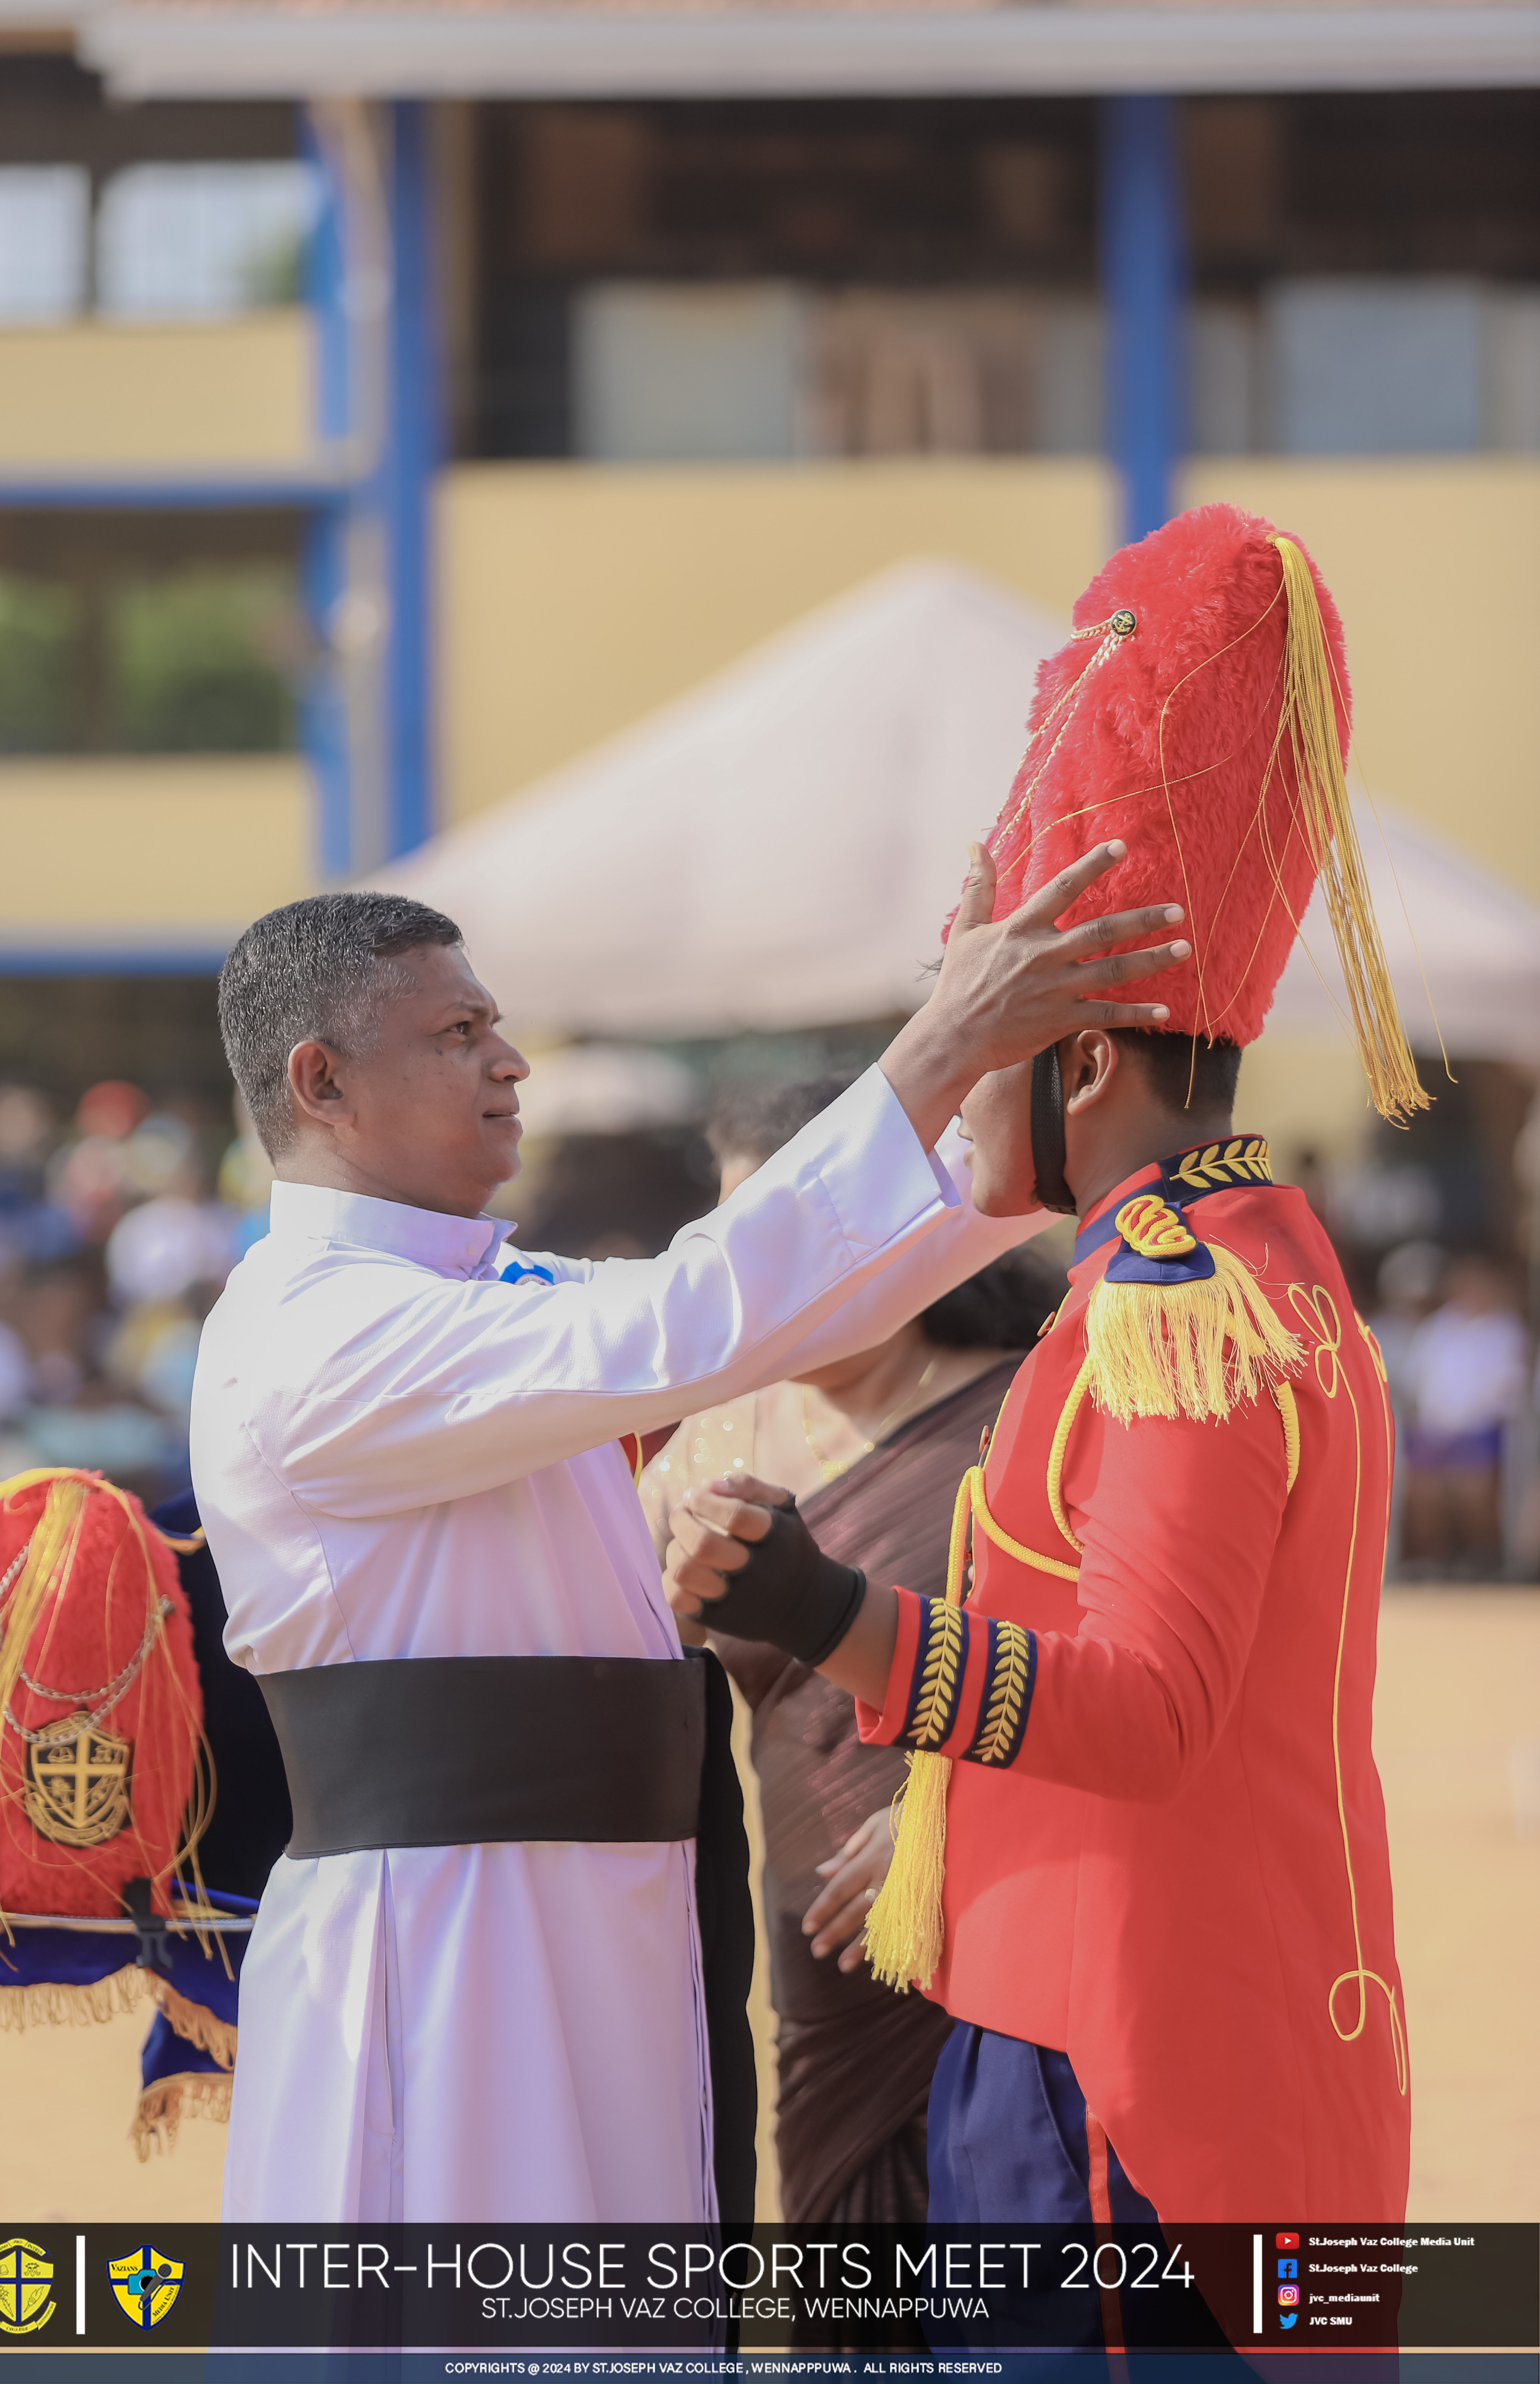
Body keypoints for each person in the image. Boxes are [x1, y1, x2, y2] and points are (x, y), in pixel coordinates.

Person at [192, 853, 1191, 2225]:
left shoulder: (490, 1290)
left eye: (493, 1026)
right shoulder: (314, 1329)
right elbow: (691, 1315)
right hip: (442, 1936)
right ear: (320, 1083)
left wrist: (1026, 1135)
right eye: (457, 1034)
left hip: (612, 1903)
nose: (510, 1064)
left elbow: (801, 1304)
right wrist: (950, 1037)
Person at [664, 501, 1422, 2234]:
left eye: (973, 1023)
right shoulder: (1226, 1268)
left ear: (1076, 1062)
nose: (937, 1080)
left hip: (1129, 2092)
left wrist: (825, 1602)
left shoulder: (1172, 1302)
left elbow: (1148, 1709)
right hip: (1156, 2038)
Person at [644, 1075, 1059, 2253]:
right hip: (818, 1959)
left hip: (1011, 1918)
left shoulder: (1031, 1411)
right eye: (737, 1239)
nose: (761, 1273)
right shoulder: (706, 1435)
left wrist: (957, 1821)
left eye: (786, 1231)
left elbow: (1117, 1676)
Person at [1400, 1254, 1528, 1576]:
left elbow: (1508, 1388)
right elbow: (1416, 1382)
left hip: (1481, 1430)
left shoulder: (1505, 1330)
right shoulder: (1435, 1328)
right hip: (1434, 1432)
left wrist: (1466, 1425)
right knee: (1423, 1491)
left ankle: (1480, 1559)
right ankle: (1434, 1560)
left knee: (1473, 1489)